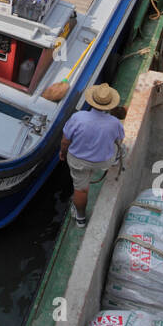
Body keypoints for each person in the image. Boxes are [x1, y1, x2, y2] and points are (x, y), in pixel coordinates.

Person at [59, 84, 125, 226]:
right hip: (103, 161)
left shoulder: (78, 117)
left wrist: (63, 154)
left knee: (81, 190)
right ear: (110, 104)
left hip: (78, 162)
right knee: (119, 144)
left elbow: (65, 141)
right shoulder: (114, 123)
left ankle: (81, 219)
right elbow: (119, 139)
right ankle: (116, 160)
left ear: (92, 100)